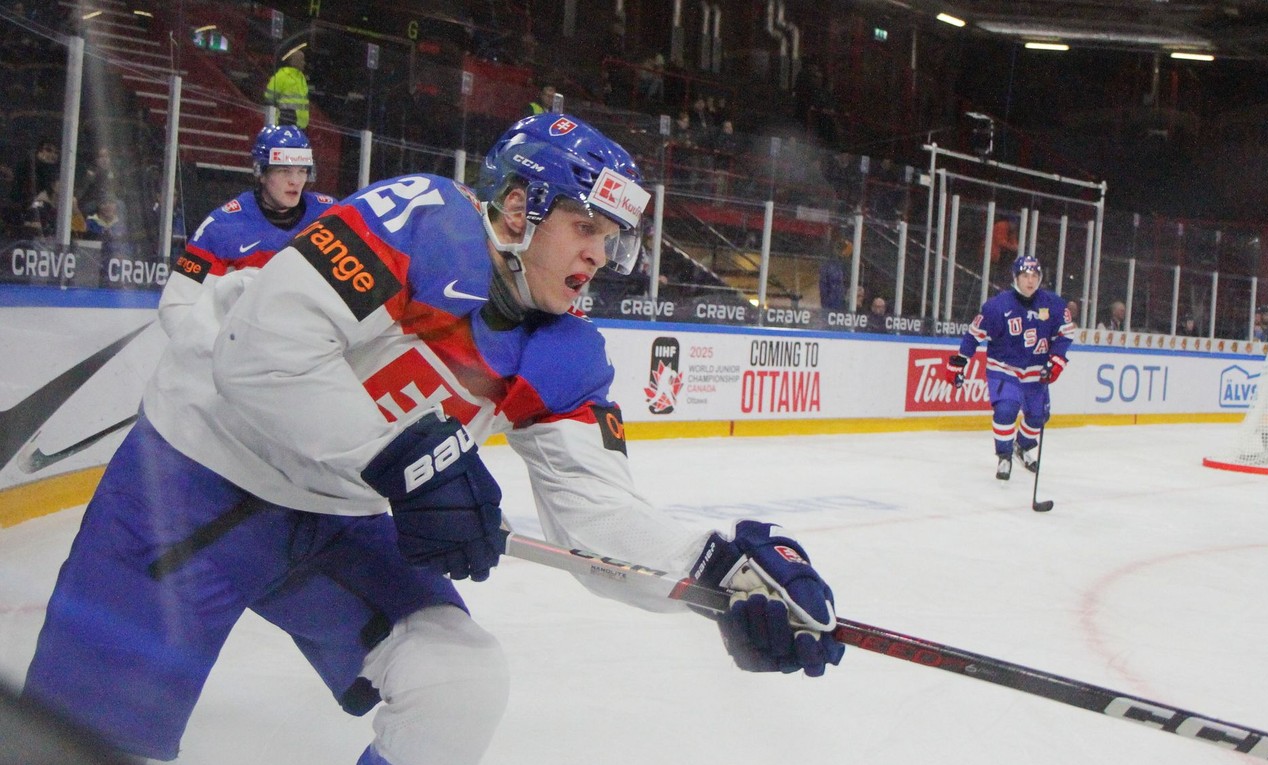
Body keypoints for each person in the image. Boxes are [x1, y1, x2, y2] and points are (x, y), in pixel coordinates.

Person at [22, 112, 843, 765]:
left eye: (613, 238)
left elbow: (599, 522)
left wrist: (718, 570)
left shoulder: (564, 355)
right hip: (192, 483)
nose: (601, 254)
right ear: (519, 207)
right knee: (80, 750)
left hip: (330, 523)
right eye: (587, 224)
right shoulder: (421, 221)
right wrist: (413, 456)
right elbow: (259, 355)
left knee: (458, 680)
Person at [158, 125, 334, 338]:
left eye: (302, 170)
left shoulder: (330, 215)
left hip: (310, 348)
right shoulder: (222, 227)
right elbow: (176, 306)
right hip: (244, 352)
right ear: (261, 172)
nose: (295, 180)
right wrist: (223, 356)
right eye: (284, 170)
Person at [948, 254, 1074, 480]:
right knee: (1006, 409)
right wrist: (960, 362)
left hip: (1036, 370)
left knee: (1038, 416)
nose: (1030, 280)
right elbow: (973, 336)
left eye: (1035, 275)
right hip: (1004, 368)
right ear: (1016, 277)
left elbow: (1066, 333)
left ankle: (1022, 447)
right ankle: (1004, 455)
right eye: (1025, 275)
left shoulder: (1053, 304)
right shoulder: (997, 307)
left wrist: (1056, 360)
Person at [263, 48, 310, 128]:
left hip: (300, 126)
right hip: (284, 123)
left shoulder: (301, 78)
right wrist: (270, 125)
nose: (304, 63)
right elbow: (269, 100)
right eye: (302, 60)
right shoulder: (281, 76)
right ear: (295, 62)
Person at [819, 236, 850, 311]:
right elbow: (824, 286)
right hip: (832, 300)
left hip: (835, 299)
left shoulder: (839, 264)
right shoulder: (831, 266)